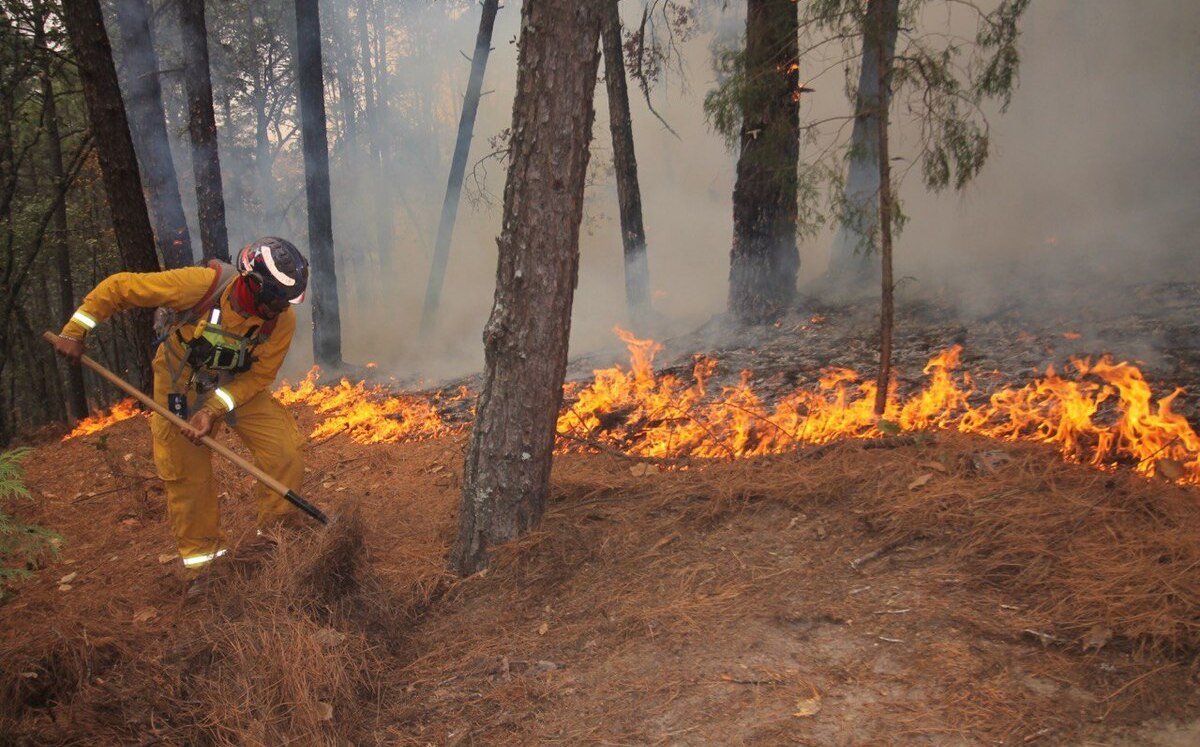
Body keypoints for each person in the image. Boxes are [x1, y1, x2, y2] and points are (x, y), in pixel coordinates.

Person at [52, 238, 310, 578]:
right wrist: (75, 331)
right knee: (189, 476)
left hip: (235, 387)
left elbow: (259, 375)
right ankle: (205, 567)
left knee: (284, 451)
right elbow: (120, 287)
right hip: (180, 386)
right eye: (276, 300)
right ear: (252, 283)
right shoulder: (201, 286)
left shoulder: (281, 321)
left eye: (287, 302)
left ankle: (277, 539)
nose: (280, 308)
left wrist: (213, 409)